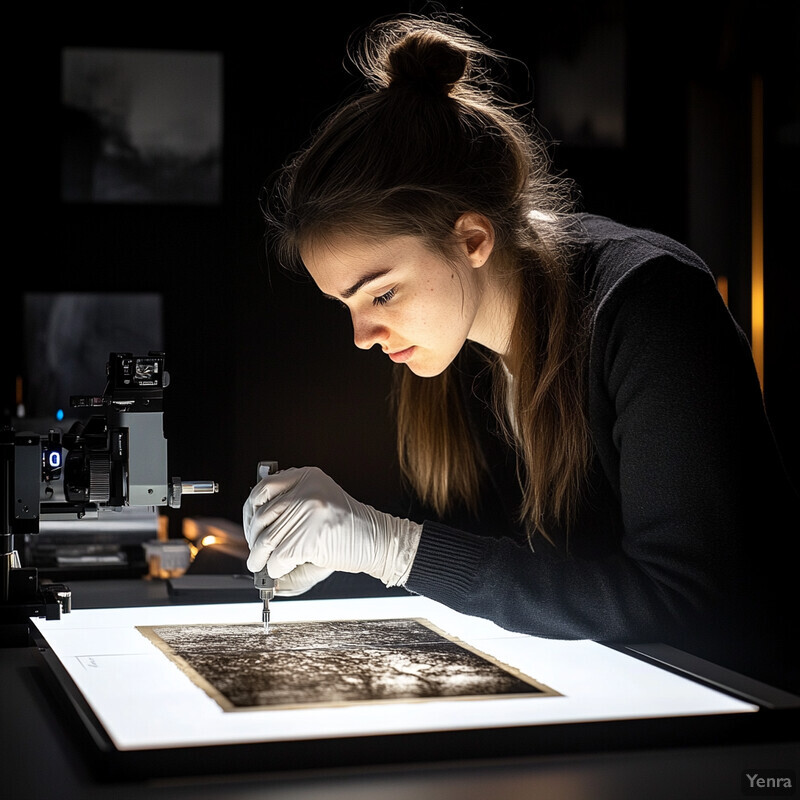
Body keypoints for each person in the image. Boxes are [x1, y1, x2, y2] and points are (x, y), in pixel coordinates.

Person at [244, 14, 798, 690]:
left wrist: (390, 548)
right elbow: (497, 570)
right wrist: (343, 548)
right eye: (346, 306)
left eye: (380, 295)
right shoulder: (448, 347)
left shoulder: (652, 305)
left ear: (471, 240)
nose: (362, 336)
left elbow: (681, 600)